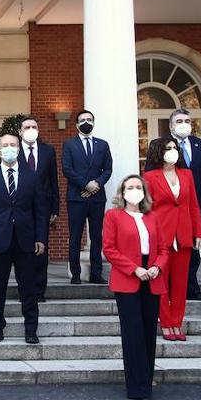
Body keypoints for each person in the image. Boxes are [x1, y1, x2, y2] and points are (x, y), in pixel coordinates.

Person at [101, 175, 170, 400]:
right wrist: (135, 269)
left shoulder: (153, 217)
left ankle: (146, 383)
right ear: (122, 192)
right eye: (130, 187)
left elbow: (164, 249)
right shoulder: (113, 216)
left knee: (149, 332)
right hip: (128, 279)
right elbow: (109, 249)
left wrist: (156, 268)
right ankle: (136, 387)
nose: (134, 190)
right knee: (133, 334)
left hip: (151, 278)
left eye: (138, 187)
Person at [0, 133, 47, 345]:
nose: (9, 148)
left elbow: (40, 211)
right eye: (5, 145)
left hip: (26, 241)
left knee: (28, 288)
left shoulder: (32, 176)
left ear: (19, 148)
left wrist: (40, 238)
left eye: (13, 145)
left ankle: (31, 329)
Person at [143, 137, 201, 342]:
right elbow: (146, 209)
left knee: (180, 283)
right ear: (159, 152)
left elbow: (193, 205)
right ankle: (166, 323)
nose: (173, 151)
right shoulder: (149, 176)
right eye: (168, 148)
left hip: (184, 235)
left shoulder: (187, 174)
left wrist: (198, 233)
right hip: (161, 237)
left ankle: (177, 323)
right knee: (160, 283)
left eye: (175, 147)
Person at [61, 110, 113, 284]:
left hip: (97, 197)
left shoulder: (102, 145)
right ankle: (75, 274)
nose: (86, 122)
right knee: (75, 235)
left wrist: (96, 184)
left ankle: (96, 273)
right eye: (83, 120)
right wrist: (86, 185)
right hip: (76, 197)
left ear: (93, 123)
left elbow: (108, 169)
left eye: (89, 119)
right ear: (76, 125)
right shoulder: (69, 145)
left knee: (96, 236)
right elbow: (67, 169)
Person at [169, 108, 201, 301]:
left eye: (187, 120)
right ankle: (171, 287)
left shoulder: (199, 144)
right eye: (179, 121)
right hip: (171, 206)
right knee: (172, 248)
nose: (184, 124)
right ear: (171, 125)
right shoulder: (163, 145)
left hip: (193, 206)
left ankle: (192, 288)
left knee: (193, 247)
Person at [18, 116, 59, 301]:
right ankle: (25, 290)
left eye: (34, 126)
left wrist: (55, 210)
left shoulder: (48, 151)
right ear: (20, 131)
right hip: (20, 208)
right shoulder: (13, 150)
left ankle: (39, 290)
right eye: (27, 127)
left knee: (41, 249)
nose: (31, 129)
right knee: (22, 250)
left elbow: (53, 182)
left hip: (42, 208)